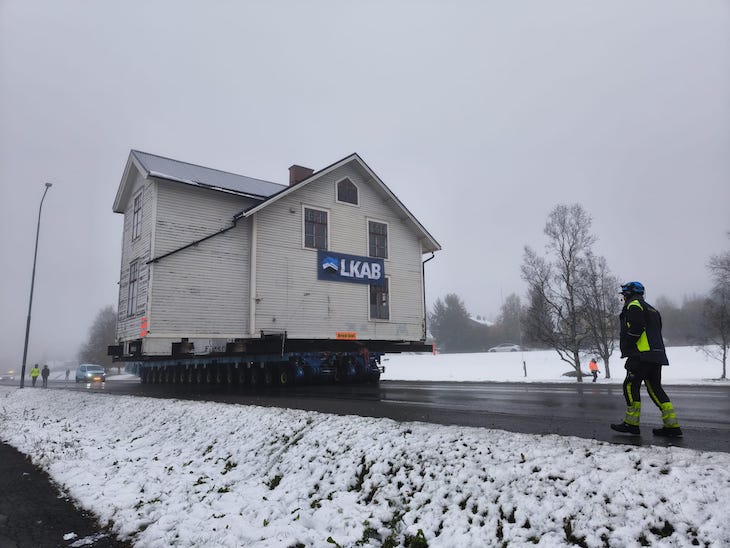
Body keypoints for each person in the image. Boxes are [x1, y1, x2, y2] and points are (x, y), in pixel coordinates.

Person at [610, 281, 683, 438]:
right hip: (656, 355)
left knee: (630, 386)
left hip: (640, 355)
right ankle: (672, 426)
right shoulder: (653, 309)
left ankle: (632, 424)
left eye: (624, 294)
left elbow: (636, 327)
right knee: (655, 388)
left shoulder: (634, 306)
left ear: (629, 294)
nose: (623, 296)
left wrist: (629, 344)